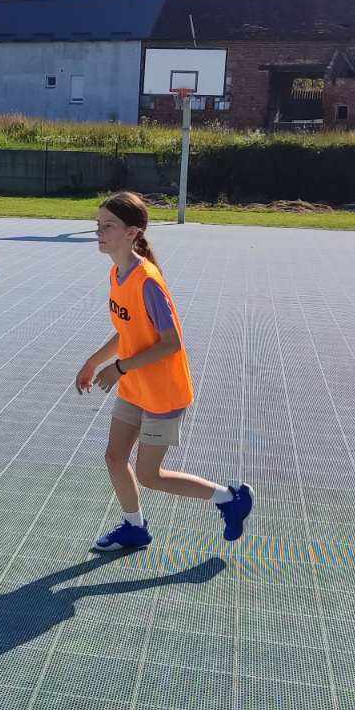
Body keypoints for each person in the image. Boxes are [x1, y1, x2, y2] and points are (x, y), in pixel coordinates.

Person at [76, 190, 253, 551]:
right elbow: (128, 331)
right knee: (114, 458)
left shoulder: (148, 282)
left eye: (108, 226)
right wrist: (94, 361)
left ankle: (230, 498)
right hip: (135, 385)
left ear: (132, 233)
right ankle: (135, 527)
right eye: (98, 224)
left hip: (163, 393)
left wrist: (119, 368)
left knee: (149, 475)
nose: (99, 232)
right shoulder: (117, 274)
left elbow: (171, 343)